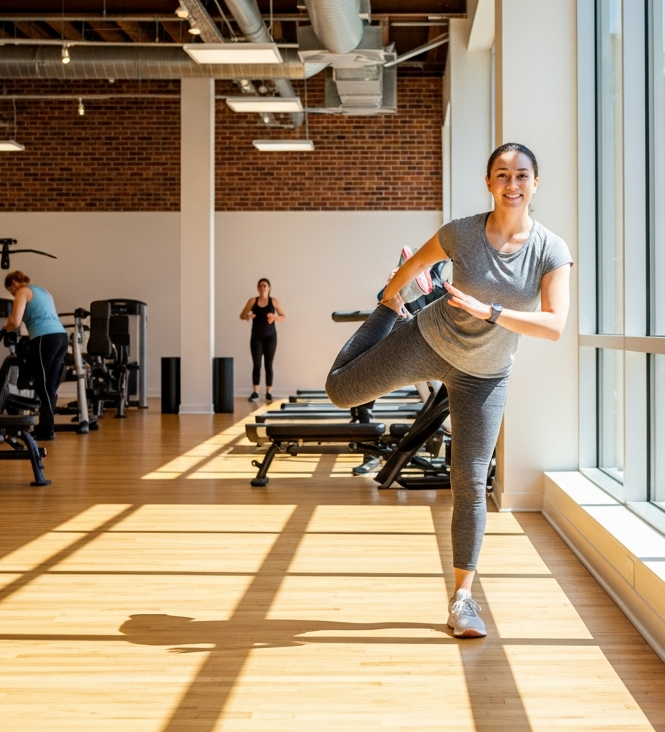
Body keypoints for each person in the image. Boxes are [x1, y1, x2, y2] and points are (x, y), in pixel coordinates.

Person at [324, 143, 573, 639]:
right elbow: (414, 261)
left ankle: (462, 599)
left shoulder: (551, 250)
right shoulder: (461, 232)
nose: (512, 183)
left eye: (522, 175)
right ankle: (402, 310)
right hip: (429, 339)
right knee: (340, 392)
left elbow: (554, 325)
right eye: (502, 174)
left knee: (470, 477)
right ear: (489, 182)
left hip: (487, 373)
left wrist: (492, 313)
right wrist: (392, 295)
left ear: (535, 183)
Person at [1, 270, 68, 441]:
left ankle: (46, 430)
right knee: (49, 385)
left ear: (14, 283)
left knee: (42, 384)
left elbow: (15, 321)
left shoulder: (22, 291)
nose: (12, 293)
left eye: (10, 290)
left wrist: (4, 328)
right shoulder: (44, 292)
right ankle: (46, 428)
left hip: (44, 337)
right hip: (61, 337)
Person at [239, 278, 285, 402]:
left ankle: (268, 392)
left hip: (270, 337)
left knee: (268, 365)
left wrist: (275, 317)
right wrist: (248, 316)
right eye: (260, 286)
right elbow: (242, 315)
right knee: (257, 364)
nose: (262, 288)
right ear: (257, 288)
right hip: (256, 337)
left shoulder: (273, 301)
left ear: (269, 288)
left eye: (265, 286)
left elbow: (283, 316)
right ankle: (255, 391)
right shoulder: (252, 301)